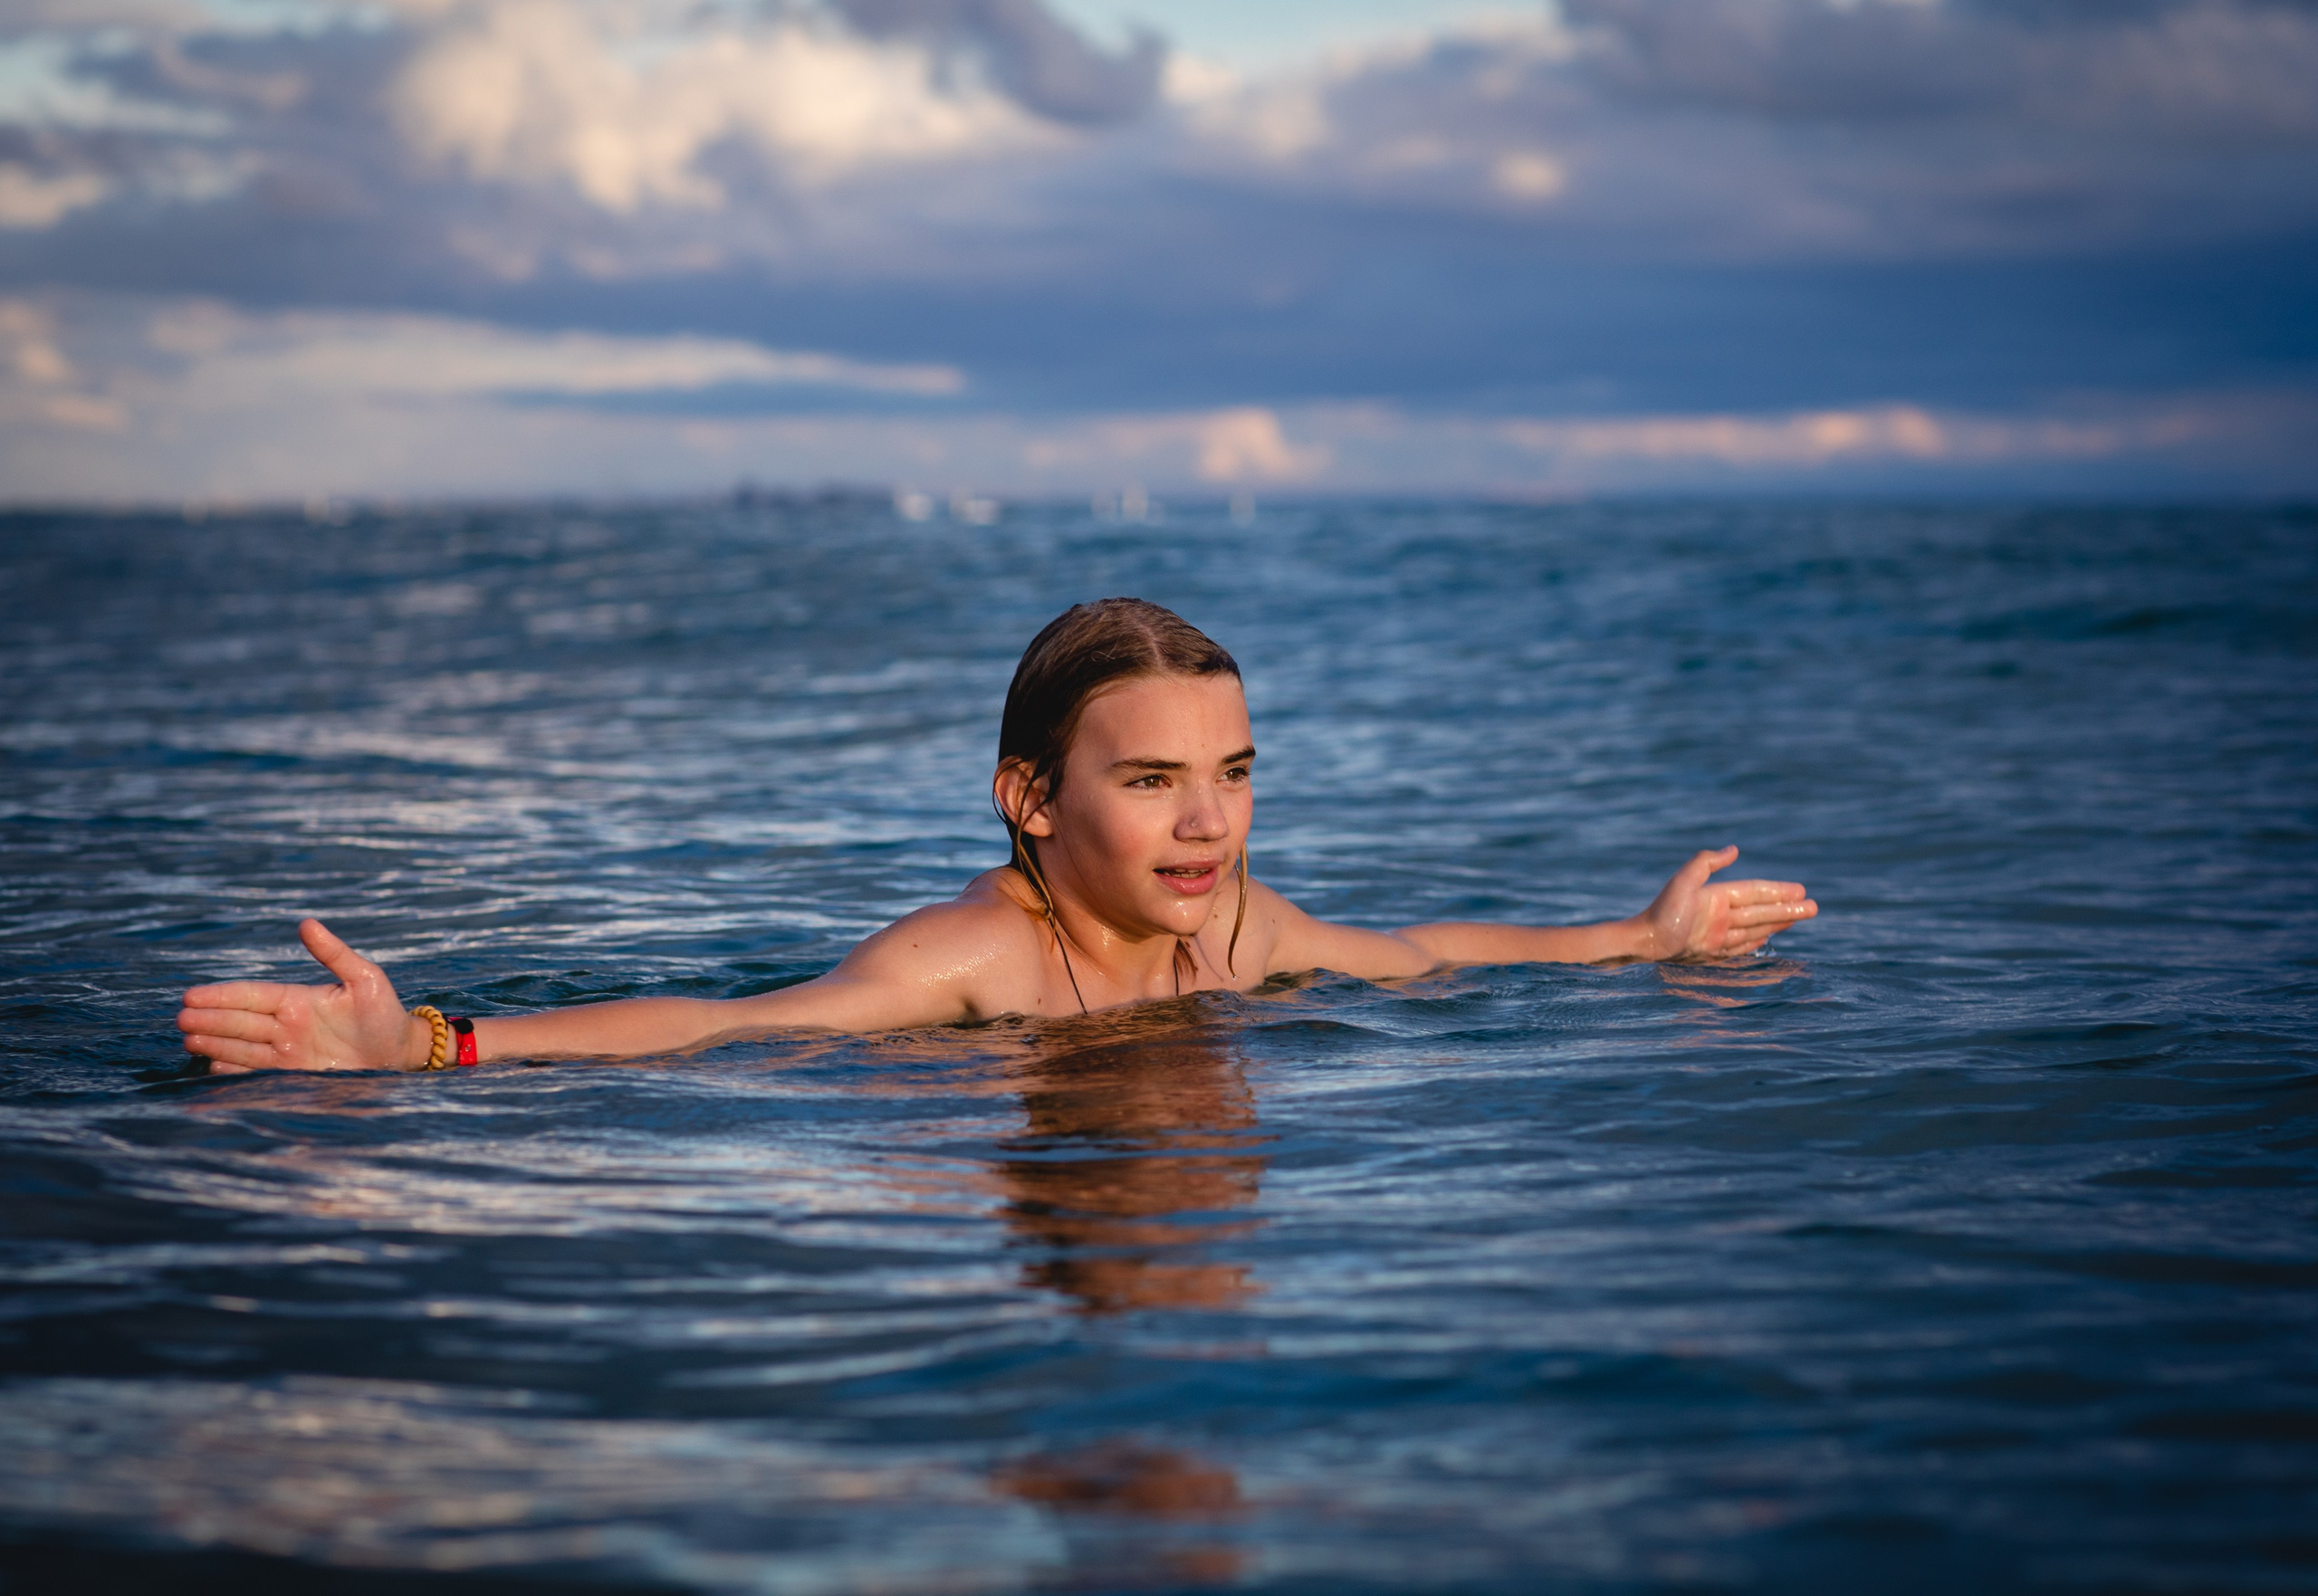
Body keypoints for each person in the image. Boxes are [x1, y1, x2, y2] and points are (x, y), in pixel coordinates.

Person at [177, 598, 1817, 1074]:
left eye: (1234, 772)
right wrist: (433, 1050)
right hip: (997, 1170)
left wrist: (1643, 943)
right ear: (1032, 799)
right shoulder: (981, 955)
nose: (1209, 821)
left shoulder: (1240, 927)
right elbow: (732, 1022)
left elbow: (1431, 953)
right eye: (1155, 779)